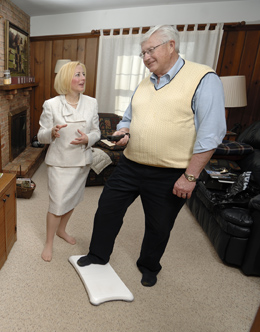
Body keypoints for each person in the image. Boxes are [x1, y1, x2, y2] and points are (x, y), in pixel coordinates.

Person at [77, 25, 226, 287]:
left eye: (150, 50)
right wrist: (124, 132)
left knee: (159, 226)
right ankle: (98, 255)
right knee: (107, 210)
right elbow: (128, 119)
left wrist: (190, 177)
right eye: (142, 53)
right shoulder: (144, 83)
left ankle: (148, 265)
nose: (145, 57)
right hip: (130, 164)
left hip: (170, 173)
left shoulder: (203, 77)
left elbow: (211, 133)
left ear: (171, 45)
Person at [38, 61, 101, 262]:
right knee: (57, 203)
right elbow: (40, 135)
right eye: (77, 75)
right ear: (66, 79)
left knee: (72, 199)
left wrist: (88, 139)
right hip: (59, 162)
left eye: (83, 74)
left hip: (81, 161)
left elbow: (97, 132)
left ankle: (62, 230)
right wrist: (52, 132)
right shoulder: (51, 104)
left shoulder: (92, 102)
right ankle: (49, 243)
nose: (83, 78)